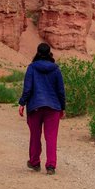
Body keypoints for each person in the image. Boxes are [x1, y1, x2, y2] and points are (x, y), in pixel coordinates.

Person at [18, 42, 66, 175]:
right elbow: (61, 91)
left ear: (37, 52)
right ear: (49, 52)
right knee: (51, 137)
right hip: (53, 107)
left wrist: (22, 103)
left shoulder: (32, 68)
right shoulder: (56, 69)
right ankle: (51, 166)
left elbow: (27, 89)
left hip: (35, 107)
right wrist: (62, 107)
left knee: (35, 135)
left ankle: (34, 163)